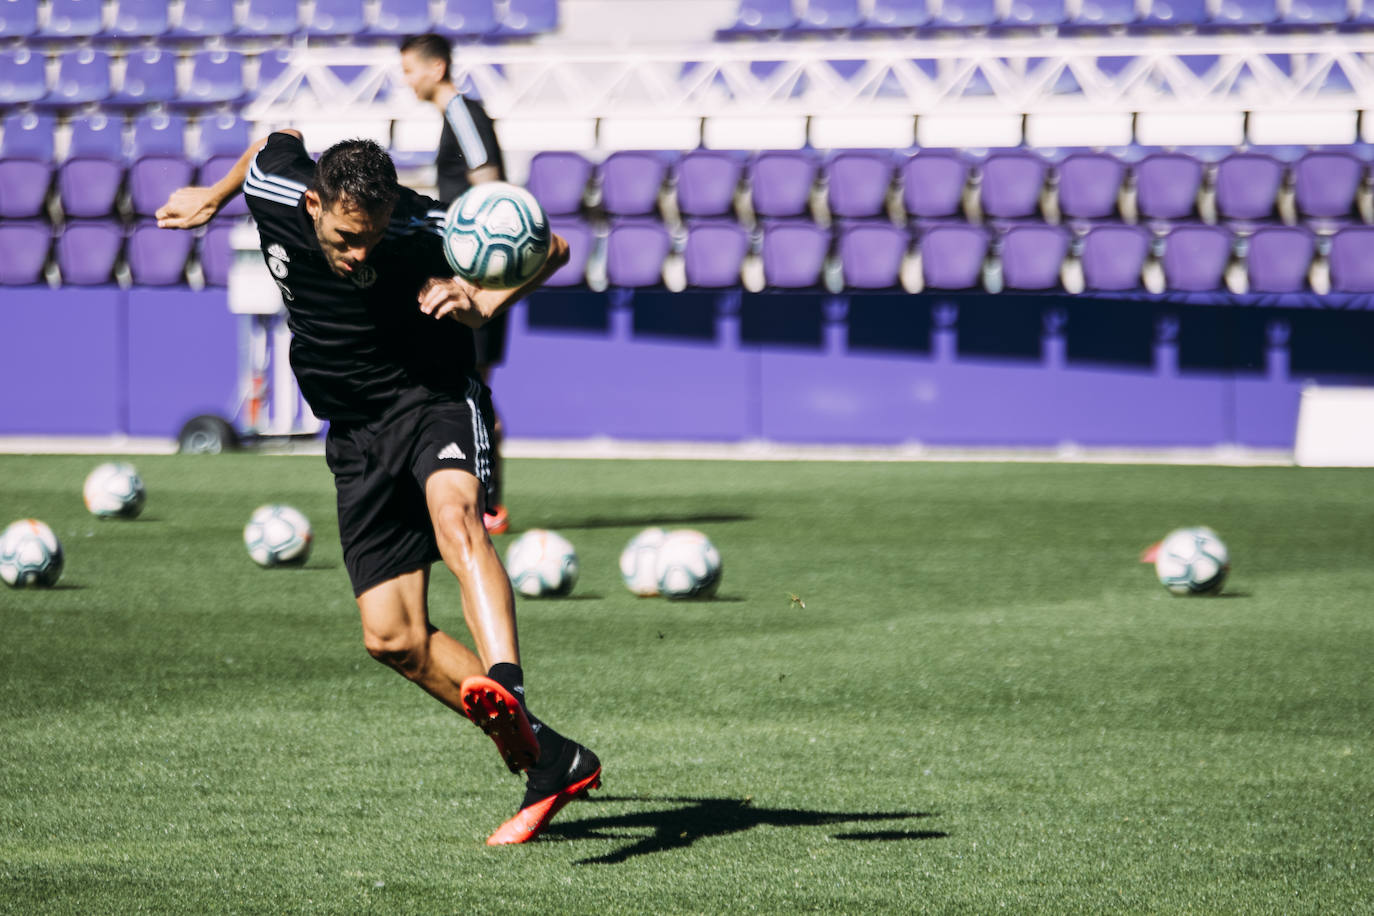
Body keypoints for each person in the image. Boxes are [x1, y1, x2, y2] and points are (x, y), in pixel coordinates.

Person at [155, 131, 598, 846]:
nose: (360, 253)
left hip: (432, 401)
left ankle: (508, 690)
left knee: (458, 520)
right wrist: (212, 195)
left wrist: (483, 299)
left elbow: (552, 249)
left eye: (374, 236)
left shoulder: (426, 224)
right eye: (345, 236)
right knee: (392, 636)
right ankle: (553, 758)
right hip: (355, 434)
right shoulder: (275, 186)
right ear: (312, 203)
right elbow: (276, 139)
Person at [400, 32, 513, 535]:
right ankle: (477, 501)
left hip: (475, 274)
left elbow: (488, 182)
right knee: (465, 384)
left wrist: (473, 272)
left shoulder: (464, 112)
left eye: (410, 69)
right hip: (464, 269)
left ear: (437, 67)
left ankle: (487, 506)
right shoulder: (453, 118)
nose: (407, 79)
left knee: (473, 388)